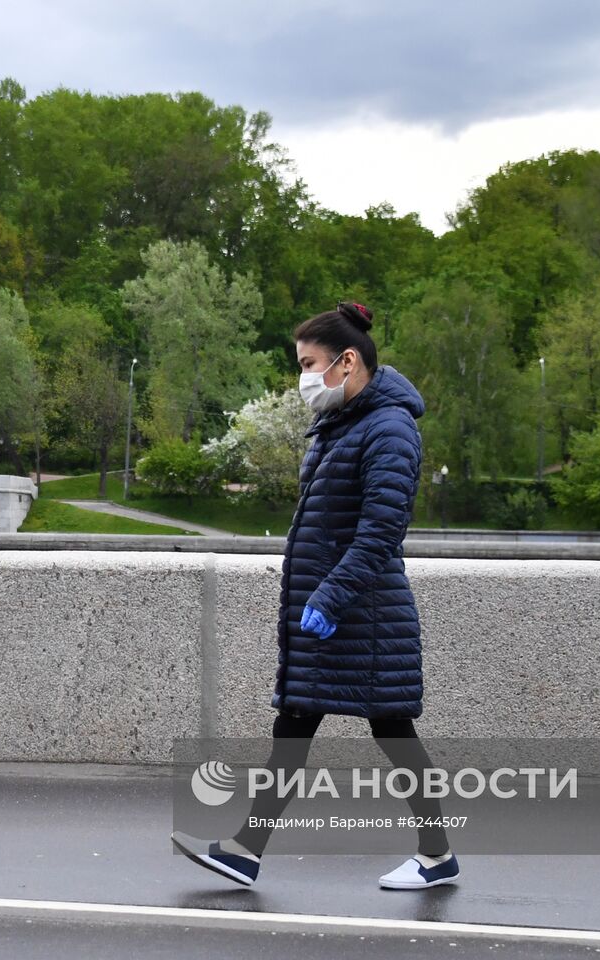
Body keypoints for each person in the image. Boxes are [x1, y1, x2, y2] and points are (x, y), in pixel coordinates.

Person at [171, 301, 459, 890]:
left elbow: (381, 533)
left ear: (347, 362)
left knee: (394, 732)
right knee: (296, 723)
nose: (302, 379)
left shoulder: (390, 428)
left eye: (309, 365)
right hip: (332, 608)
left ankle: (437, 856)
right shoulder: (340, 425)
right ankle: (247, 852)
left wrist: (328, 597)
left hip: (365, 615)